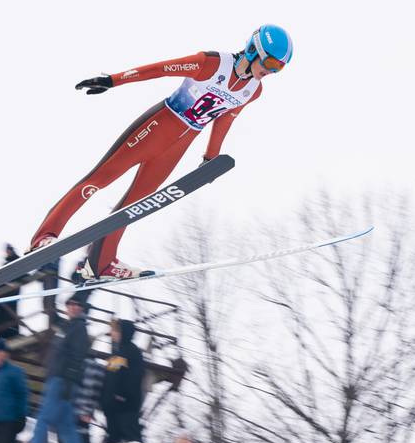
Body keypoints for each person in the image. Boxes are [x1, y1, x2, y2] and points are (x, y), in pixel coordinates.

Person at [28, 25, 293, 281]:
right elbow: (159, 69)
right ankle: (44, 237)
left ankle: (101, 264)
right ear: (252, 50)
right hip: (158, 126)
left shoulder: (253, 91)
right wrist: (112, 80)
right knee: (99, 180)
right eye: (270, 64)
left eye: (279, 68)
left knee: (136, 206)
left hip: (180, 143)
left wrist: (211, 158)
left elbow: (225, 119)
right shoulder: (212, 63)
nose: (271, 71)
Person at [4, 296, 91, 443]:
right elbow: (50, 308)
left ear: (82, 308)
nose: (73, 307)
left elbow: (77, 358)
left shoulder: (79, 328)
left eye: (77, 305)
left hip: (62, 381)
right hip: (57, 379)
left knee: (43, 418)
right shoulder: (67, 326)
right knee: (65, 424)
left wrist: (67, 383)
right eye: (70, 304)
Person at [101, 318, 145, 443]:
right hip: (113, 408)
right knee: (112, 442)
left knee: (132, 439)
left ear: (123, 332)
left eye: (114, 330)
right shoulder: (117, 353)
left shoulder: (131, 352)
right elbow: (110, 378)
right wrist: (105, 400)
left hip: (125, 407)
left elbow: (134, 378)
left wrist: (122, 396)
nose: (112, 333)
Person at [58, 356, 105, 443]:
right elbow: (96, 393)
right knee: (82, 435)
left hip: (75, 409)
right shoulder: (99, 370)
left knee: (70, 437)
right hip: (86, 410)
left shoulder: (80, 366)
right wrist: (89, 410)